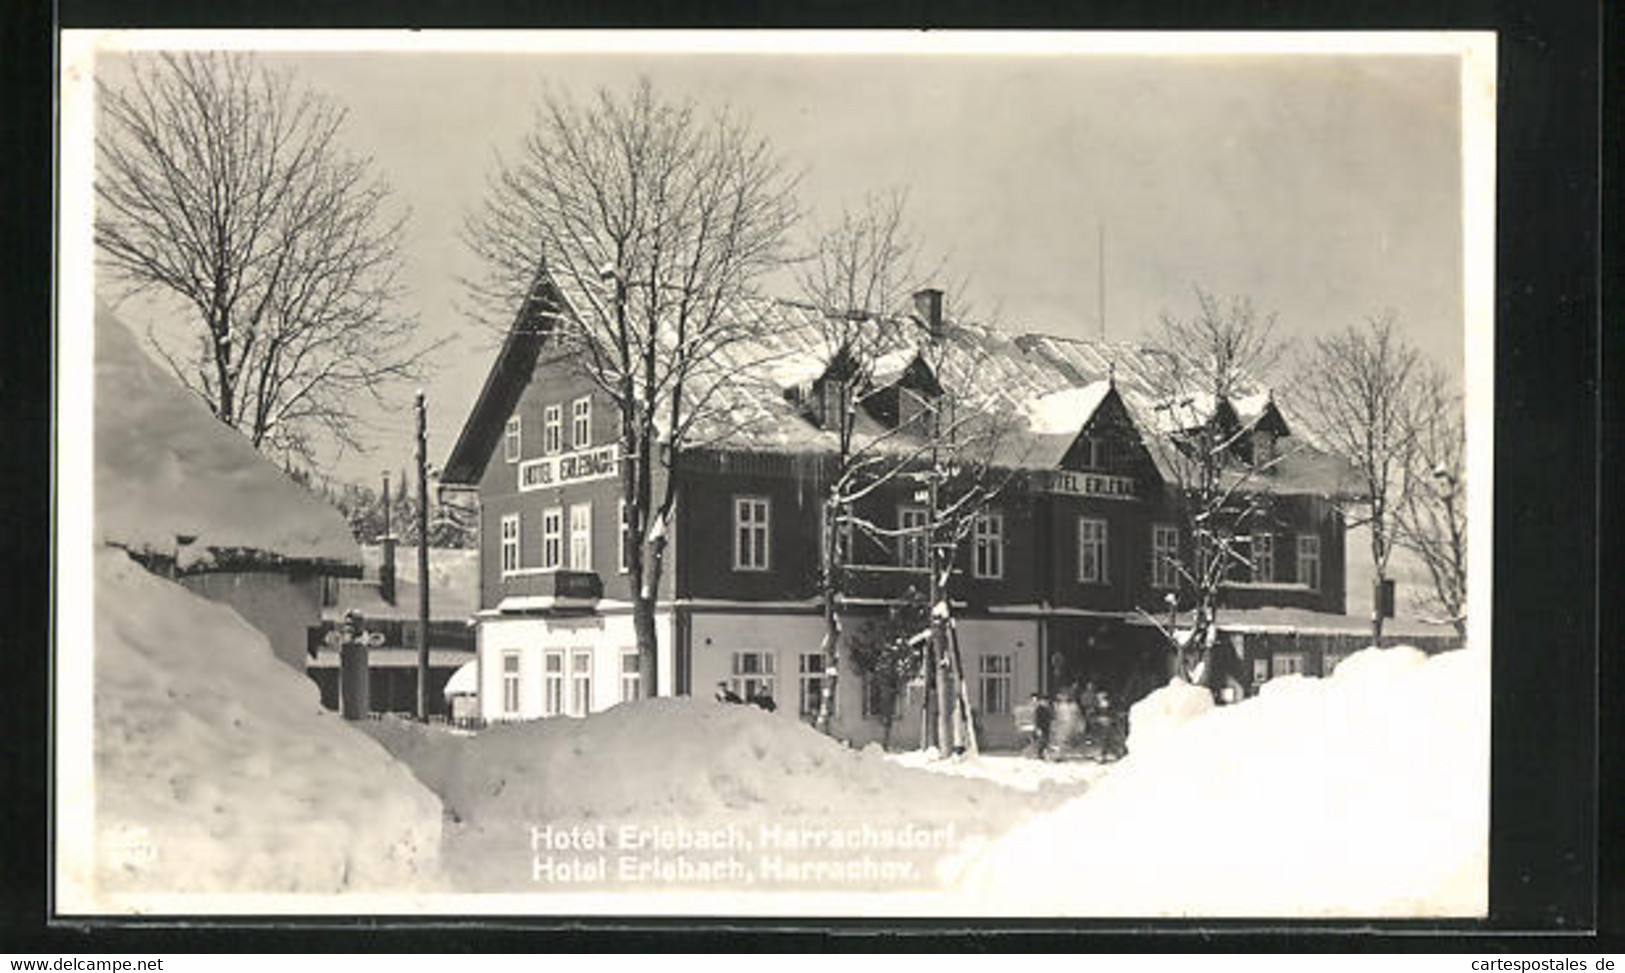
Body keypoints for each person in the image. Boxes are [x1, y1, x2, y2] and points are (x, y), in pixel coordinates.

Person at [1030, 692, 1053, 761]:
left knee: (1045, 741)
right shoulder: (1040, 709)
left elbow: (1050, 717)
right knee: (1041, 741)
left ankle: (1041, 754)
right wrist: (1037, 728)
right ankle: (1039, 754)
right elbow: (1037, 719)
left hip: (1046, 726)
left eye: (1046, 701)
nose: (1046, 702)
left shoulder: (1047, 708)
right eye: (1044, 701)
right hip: (1041, 727)